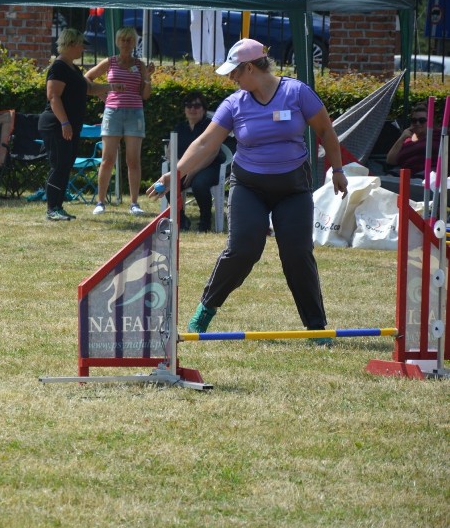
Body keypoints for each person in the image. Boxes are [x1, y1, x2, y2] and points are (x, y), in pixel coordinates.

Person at [146, 38, 348, 344]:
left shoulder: (297, 93)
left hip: (293, 188)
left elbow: (325, 130)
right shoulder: (234, 104)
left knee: (297, 254)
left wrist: (339, 170)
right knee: (243, 249)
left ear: (250, 68)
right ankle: (205, 310)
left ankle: (317, 328)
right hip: (249, 186)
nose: (232, 79)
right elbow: (206, 144)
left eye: (235, 73)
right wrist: (175, 173)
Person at [39, 28, 113, 221]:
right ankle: (51, 209)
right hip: (56, 125)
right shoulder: (59, 67)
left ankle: (58, 206)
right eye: (81, 45)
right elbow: (53, 96)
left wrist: (111, 87)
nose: (83, 49)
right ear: (71, 44)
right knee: (59, 165)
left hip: (70, 125)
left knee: (66, 164)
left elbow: (89, 88)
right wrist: (64, 122)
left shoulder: (73, 68)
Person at [84, 26, 154, 216]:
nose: (126, 43)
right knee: (107, 160)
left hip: (135, 113)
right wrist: (104, 94)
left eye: (129, 40)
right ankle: (100, 201)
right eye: (123, 40)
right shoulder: (110, 62)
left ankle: (134, 203)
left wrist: (147, 77)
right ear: (117, 42)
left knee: (133, 160)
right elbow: (87, 78)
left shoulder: (139, 65)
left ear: (134, 43)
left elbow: (145, 95)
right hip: (113, 112)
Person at [173, 91, 226, 232]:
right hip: (187, 168)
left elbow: (212, 153)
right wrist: (183, 170)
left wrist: (193, 171)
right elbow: (172, 153)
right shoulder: (180, 128)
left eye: (197, 106)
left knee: (199, 184)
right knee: (170, 184)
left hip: (210, 166)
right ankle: (181, 220)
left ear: (203, 109)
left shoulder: (210, 127)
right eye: (188, 105)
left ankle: (205, 223)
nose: (192, 109)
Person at [385, 102, 440, 176]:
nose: (417, 123)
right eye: (414, 120)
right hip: (405, 174)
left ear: (430, 121)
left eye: (422, 120)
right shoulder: (407, 139)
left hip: (427, 176)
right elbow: (390, 161)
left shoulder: (438, 135)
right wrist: (401, 138)